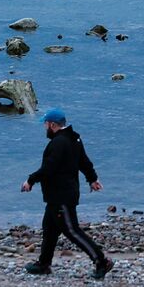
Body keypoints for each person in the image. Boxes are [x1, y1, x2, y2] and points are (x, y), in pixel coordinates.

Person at [20, 107, 114, 278]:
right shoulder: (74, 138)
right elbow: (84, 162)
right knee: (49, 228)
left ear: (53, 125)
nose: (45, 128)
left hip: (61, 195)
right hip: (60, 195)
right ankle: (44, 264)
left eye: (46, 124)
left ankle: (101, 261)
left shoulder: (58, 143)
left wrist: (30, 180)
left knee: (72, 231)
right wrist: (92, 179)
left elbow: (48, 168)